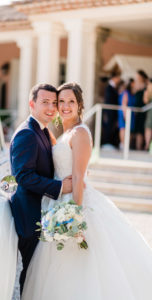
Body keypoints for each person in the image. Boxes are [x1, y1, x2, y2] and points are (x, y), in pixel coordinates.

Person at [22, 82, 152, 300]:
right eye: (60, 101)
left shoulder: (80, 132)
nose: (64, 106)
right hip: (58, 201)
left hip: (73, 204)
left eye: (70, 101)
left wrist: (74, 218)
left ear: (80, 105)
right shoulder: (65, 133)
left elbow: (79, 177)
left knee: (78, 267)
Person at [9, 83, 72, 295]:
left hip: (42, 210)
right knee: (31, 270)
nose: (51, 108)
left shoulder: (43, 131)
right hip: (29, 213)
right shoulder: (27, 133)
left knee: (41, 271)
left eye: (54, 103)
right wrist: (61, 186)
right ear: (32, 104)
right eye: (45, 102)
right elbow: (24, 177)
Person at [102, 71, 121, 148]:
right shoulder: (109, 88)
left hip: (113, 112)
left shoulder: (114, 87)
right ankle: (107, 144)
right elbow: (109, 100)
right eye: (118, 77)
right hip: (109, 112)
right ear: (114, 78)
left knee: (112, 127)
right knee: (108, 127)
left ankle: (111, 143)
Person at [118, 78, 136, 149]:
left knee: (129, 129)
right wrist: (125, 116)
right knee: (123, 128)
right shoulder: (125, 93)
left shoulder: (132, 93)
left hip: (130, 114)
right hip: (124, 113)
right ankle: (122, 144)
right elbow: (124, 104)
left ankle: (127, 145)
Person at [134, 70, 148, 150]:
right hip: (137, 110)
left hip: (143, 110)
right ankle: (137, 147)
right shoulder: (136, 85)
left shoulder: (146, 86)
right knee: (137, 130)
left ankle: (139, 147)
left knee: (140, 130)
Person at [143, 80, 152, 150]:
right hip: (150, 112)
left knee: (148, 128)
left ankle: (147, 145)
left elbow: (145, 101)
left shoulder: (148, 90)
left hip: (150, 112)